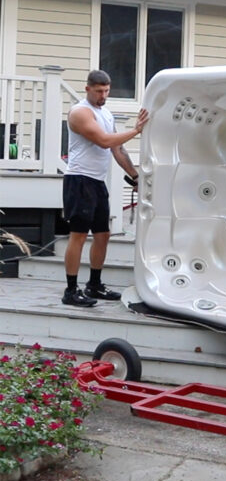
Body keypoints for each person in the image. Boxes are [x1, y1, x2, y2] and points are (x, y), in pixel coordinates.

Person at [61, 70, 149, 307]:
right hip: (79, 179)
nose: (103, 95)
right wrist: (136, 131)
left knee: (103, 235)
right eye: (99, 91)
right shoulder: (80, 113)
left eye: (107, 91)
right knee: (79, 235)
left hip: (97, 181)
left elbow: (117, 149)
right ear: (88, 88)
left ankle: (94, 285)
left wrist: (135, 177)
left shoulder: (106, 114)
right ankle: (71, 291)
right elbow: (104, 141)